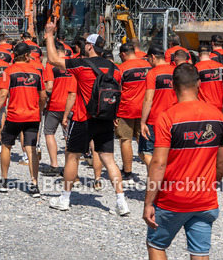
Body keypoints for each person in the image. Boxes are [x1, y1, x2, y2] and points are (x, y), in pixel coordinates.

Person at [137, 63, 223, 260]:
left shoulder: (167, 117)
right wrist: (210, 182)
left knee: (156, 245)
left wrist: (148, 201)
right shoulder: (217, 116)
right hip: (205, 198)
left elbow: (159, 162)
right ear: (199, 84)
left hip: (173, 198)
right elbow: (222, 161)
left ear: (173, 87)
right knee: (200, 256)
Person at [44, 26, 129, 216]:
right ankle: (121, 202)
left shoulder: (82, 64)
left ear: (90, 47)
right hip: (105, 118)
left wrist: (49, 35)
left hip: (84, 118)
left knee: (72, 156)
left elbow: (52, 59)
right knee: (109, 159)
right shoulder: (115, 69)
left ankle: (64, 199)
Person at [0, 43, 46, 196]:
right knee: (31, 149)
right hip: (32, 115)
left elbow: (3, 94)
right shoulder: (36, 72)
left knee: (6, 146)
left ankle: (4, 181)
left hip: (14, 115)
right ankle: (34, 184)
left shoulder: (9, 71)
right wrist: (40, 109)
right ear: (28, 55)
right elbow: (43, 96)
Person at [115, 43, 151, 181]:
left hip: (126, 109)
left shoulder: (122, 68)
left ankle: (128, 172)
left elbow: (117, 91)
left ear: (123, 54)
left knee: (125, 140)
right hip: (145, 110)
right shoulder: (147, 65)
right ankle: (152, 169)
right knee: (144, 140)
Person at [139, 47, 177, 168]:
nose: (148, 62)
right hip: (173, 118)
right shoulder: (175, 71)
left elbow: (148, 99)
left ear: (153, 57)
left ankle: (159, 174)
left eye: (148, 59)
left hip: (155, 120)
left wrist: (142, 122)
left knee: (145, 152)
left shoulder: (153, 73)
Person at [41, 43, 76, 173]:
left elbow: (49, 87)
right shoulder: (73, 63)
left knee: (49, 133)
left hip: (55, 105)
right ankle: (69, 167)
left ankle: (54, 165)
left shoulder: (51, 65)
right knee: (69, 137)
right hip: (71, 105)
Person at [193, 44, 223, 113]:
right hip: (218, 107)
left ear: (198, 54)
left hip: (203, 107)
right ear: (210, 53)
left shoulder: (195, 68)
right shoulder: (220, 67)